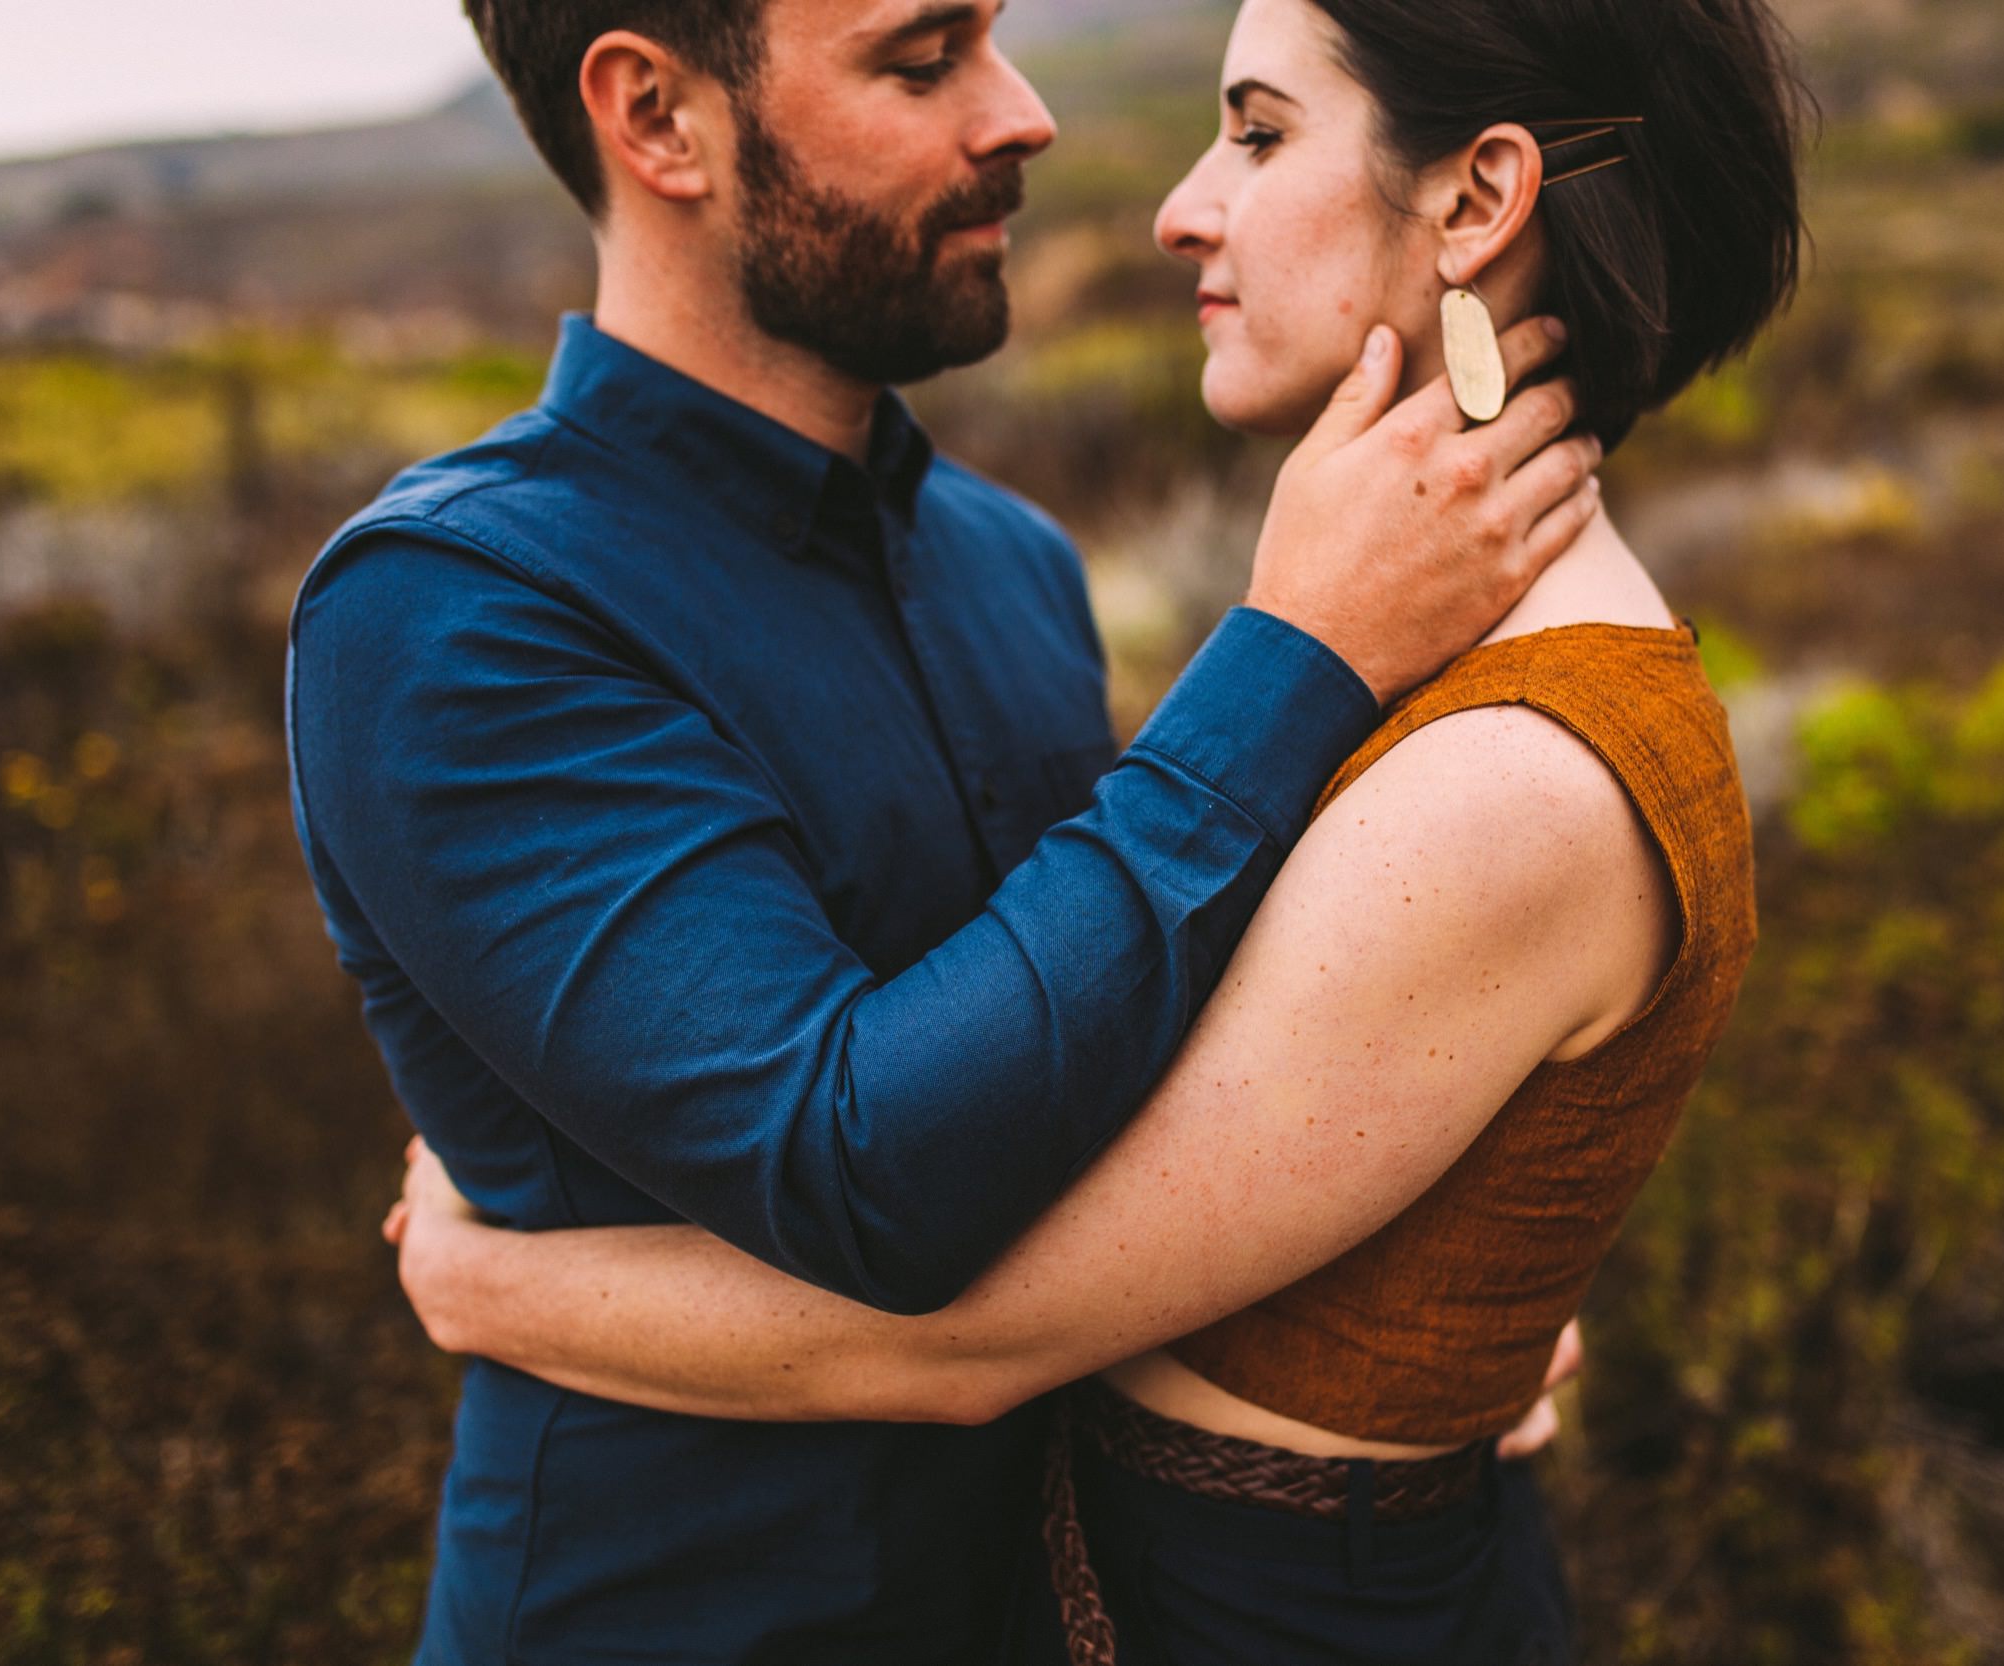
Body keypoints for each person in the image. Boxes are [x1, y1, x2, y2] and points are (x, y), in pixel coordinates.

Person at [384, 0, 1807, 1660]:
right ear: (657, 118)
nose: (1049, 127)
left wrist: (504, 1286)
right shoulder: (469, 602)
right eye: (925, 60)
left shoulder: (1021, 572)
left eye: (1260, 133)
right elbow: (961, 1127)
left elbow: (1024, 1253)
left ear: (1482, 204)